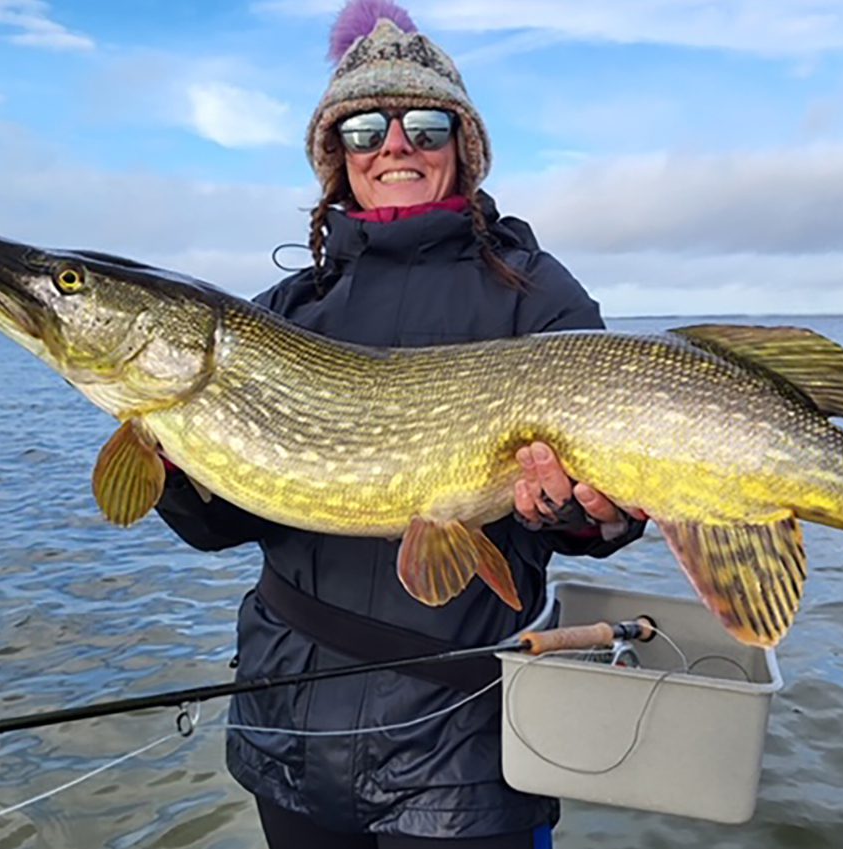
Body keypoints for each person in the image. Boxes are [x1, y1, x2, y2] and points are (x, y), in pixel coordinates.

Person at [156, 1, 646, 846]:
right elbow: (224, 521)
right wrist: (173, 460)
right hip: (290, 725)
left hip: (462, 743)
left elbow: (604, 509)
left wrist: (576, 512)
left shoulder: (538, 294)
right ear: (334, 157)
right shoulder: (284, 314)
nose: (395, 146)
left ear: (463, 147)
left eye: (425, 124)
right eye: (364, 129)